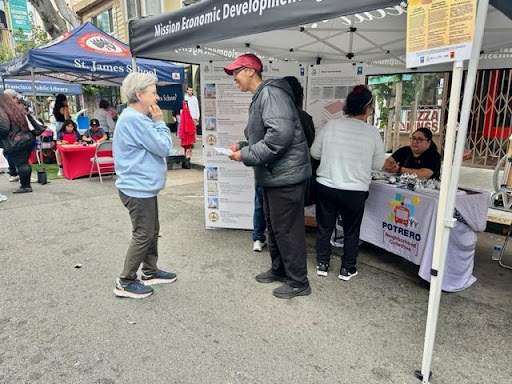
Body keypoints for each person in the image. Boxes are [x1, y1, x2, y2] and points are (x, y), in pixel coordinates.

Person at [225, 53, 312, 300]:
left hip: (285, 176)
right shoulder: (263, 95)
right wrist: (243, 145)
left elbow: (279, 137)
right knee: (274, 227)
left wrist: (247, 154)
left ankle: (298, 281)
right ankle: (280, 269)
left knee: (287, 230)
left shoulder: (271, 94)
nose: (234, 78)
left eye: (236, 72)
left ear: (251, 70)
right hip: (274, 176)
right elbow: (266, 137)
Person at [310, 85, 385, 281]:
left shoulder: (331, 126)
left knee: (325, 227)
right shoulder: (372, 133)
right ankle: (347, 268)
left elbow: (314, 153)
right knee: (352, 230)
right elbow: (377, 165)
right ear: (368, 108)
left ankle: (322, 264)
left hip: (326, 186)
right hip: (354, 191)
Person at [113, 72, 176, 299]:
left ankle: (150, 271)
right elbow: (163, 148)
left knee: (151, 231)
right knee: (144, 233)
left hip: (142, 186)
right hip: (137, 188)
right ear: (139, 95)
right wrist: (160, 124)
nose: (157, 97)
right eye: (153, 92)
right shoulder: (135, 119)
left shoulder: (134, 117)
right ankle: (125, 281)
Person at [283, 76, 316, 206]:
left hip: (275, 175)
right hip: (297, 174)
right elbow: (311, 143)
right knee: (293, 215)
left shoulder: (270, 114)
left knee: (274, 215)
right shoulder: (304, 117)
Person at [0, 93, 36, 193]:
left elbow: (4, 127)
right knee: (24, 163)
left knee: (21, 163)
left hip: (16, 140)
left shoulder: (2, 110)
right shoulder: (16, 109)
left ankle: (25, 186)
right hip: (27, 137)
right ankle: (26, 185)